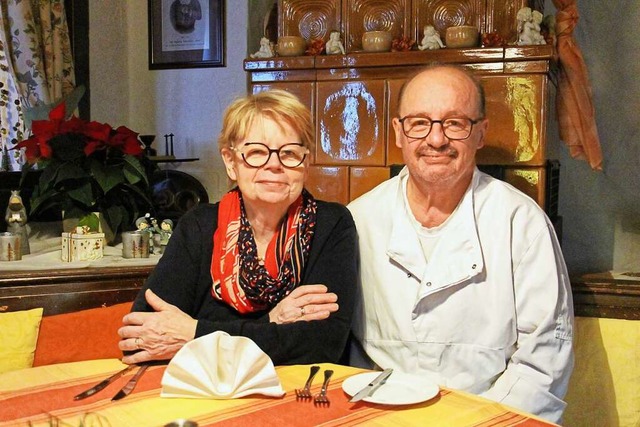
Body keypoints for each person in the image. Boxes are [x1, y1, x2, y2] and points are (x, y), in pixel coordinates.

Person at [347, 64, 574, 423]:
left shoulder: (520, 222)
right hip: (378, 414)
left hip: (490, 415)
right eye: (419, 122)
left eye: (455, 123)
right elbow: (343, 347)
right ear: (398, 133)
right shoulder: (358, 220)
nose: (436, 139)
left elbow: (544, 355)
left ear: (480, 133)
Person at [118, 89, 357, 366]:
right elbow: (139, 338)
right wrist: (271, 322)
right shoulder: (198, 226)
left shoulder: (332, 225)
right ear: (231, 163)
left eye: (289, 153)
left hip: (296, 392)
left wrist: (194, 334)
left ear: (306, 163)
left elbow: (322, 345)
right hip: (203, 394)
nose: (274, 164)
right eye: (257, 152)